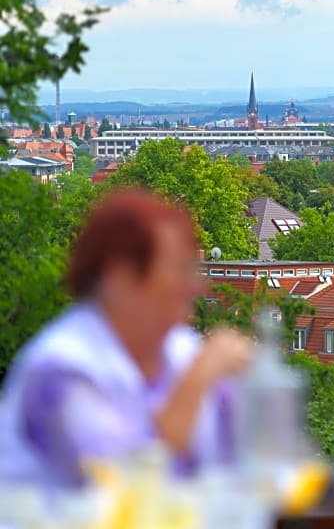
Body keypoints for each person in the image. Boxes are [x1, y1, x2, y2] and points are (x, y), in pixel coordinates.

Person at [0, 189, 251, 489]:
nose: (196, 286)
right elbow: (122, 490)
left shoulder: (181, 349)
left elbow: (245, 463)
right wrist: (198, 380)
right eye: (179, 270)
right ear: (121, 277)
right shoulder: (62, 370)